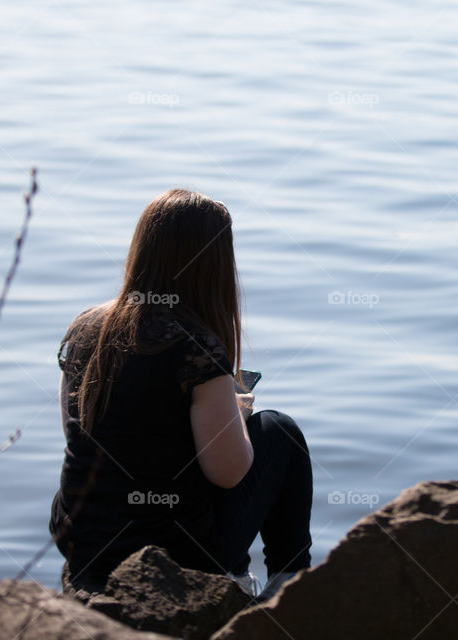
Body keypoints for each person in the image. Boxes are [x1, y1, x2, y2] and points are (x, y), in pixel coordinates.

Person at [49, 189, 313, 600]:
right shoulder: (196, 346)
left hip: (86, 543)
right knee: (280, 431)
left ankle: (241, 581)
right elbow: (229, 472)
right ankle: (291, 589)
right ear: (214, 264)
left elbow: (83, 431)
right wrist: (236, 419)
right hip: (171, 557)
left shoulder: (85, 329)